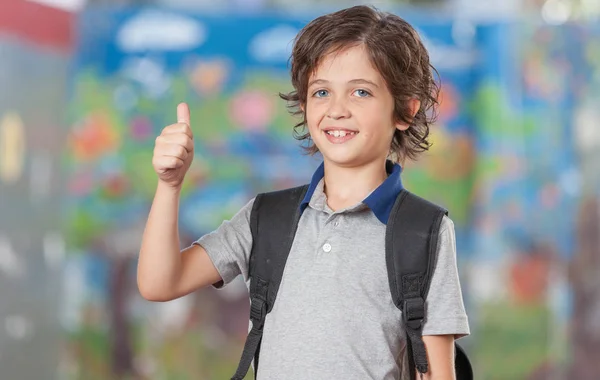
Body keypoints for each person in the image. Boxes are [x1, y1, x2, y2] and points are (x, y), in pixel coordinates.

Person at [137, 5, 469, 379]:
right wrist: (170, 185)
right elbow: (159, 282)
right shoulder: (266, 217)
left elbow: (438, 372)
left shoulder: (424, 230)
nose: (337, 109)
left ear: (405, 112)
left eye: (361, 92)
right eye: (322, 91)